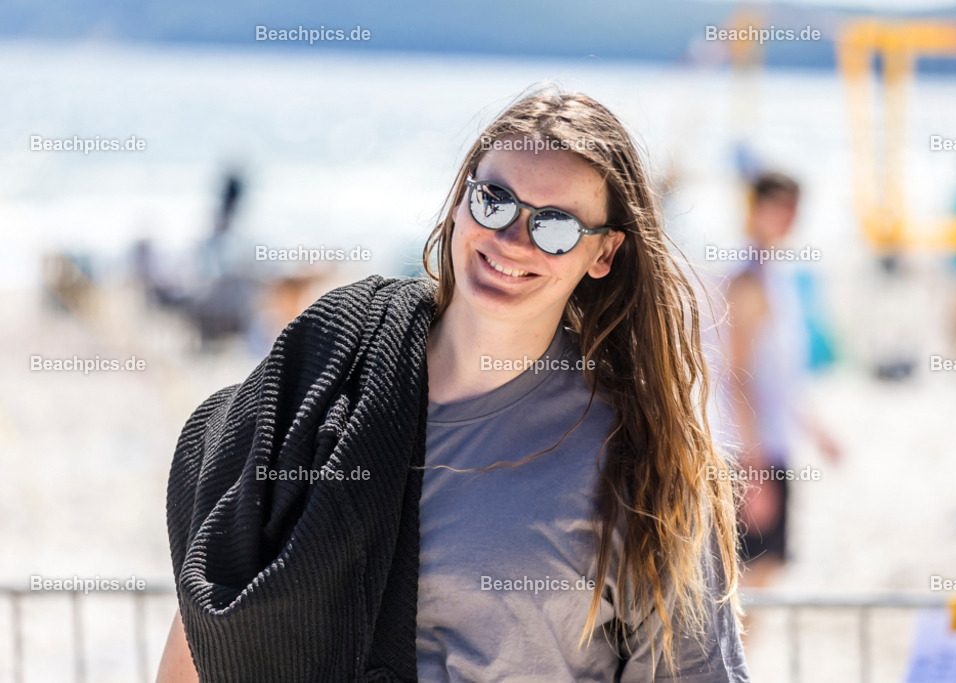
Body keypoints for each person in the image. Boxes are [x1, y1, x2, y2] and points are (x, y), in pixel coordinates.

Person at [157, 90, 750, 681]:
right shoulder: (337, 373)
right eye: (494, 200)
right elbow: (214, 614)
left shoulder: (642, 457)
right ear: (462, 197)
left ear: (604, 252)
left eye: (556, 226)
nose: (513, 240)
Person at [724, 172, 840, 589]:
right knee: (748, 581)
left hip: (770, 443)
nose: (789, 217)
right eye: (780, 206)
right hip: (750, 451)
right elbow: (735, 375)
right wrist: (754, 469)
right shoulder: (749, 279)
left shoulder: (777, 273)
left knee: (764, 575)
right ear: (756, 209)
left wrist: (816, 428)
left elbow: (779, 377)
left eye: (794, 208)